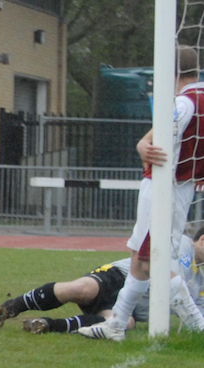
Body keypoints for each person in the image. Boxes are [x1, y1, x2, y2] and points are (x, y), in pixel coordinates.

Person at [79, 47, 204, 341]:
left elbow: (160, 141)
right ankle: (116, 324)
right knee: (139, 259)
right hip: (178, 187)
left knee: (151, 261)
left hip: (163, 187)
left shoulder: (185, 103)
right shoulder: (198, 98)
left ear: (170, 73)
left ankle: (198, 326)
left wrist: (144, 145)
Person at [0, 229, 204, 334]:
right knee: (80, 289)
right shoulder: (183, 244)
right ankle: (6, 309)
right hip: (117, 278)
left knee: (123, 325)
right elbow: (167, 275)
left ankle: (46, 325)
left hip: (128, 307)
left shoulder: (201, 282)